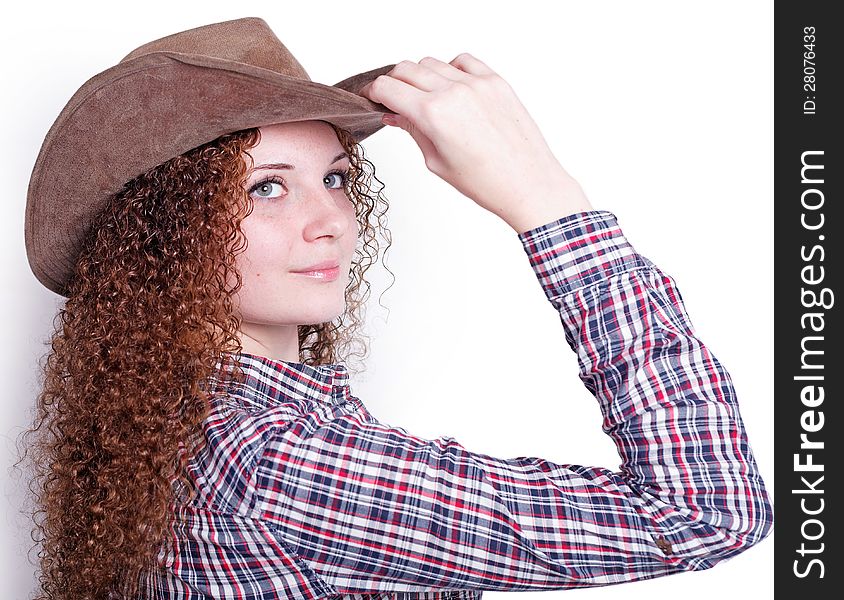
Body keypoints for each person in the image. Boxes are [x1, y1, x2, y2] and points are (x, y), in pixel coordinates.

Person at [20, 16, 773, 600]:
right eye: (267, 187)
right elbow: (705, 511)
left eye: (337, 179)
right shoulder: (265, 460)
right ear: (160, 236)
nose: (332, 221)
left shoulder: (200, 422)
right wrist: (547, 203)